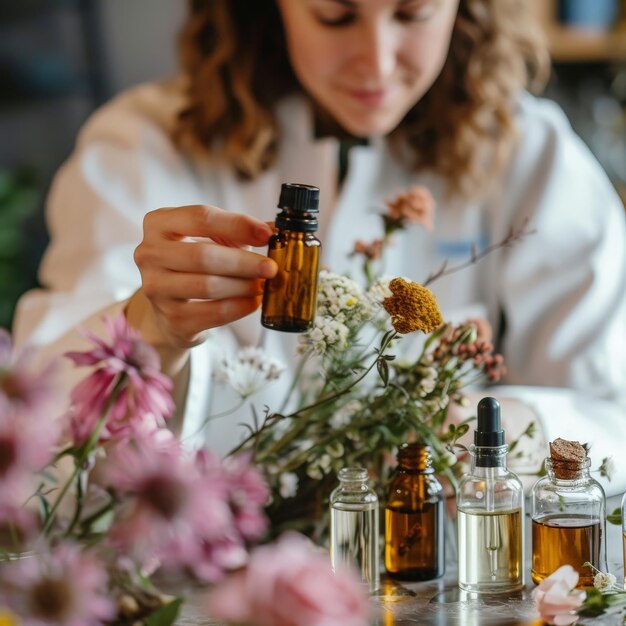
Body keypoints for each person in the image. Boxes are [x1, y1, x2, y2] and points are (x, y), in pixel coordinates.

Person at [13, 0, 626, 494]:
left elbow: (611, 419)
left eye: (411, 15)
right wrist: (151, 332)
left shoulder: (535, 158)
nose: (377, 62)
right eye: (335, 15)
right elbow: (38, 436)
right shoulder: (142, 144)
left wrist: (490, 428)